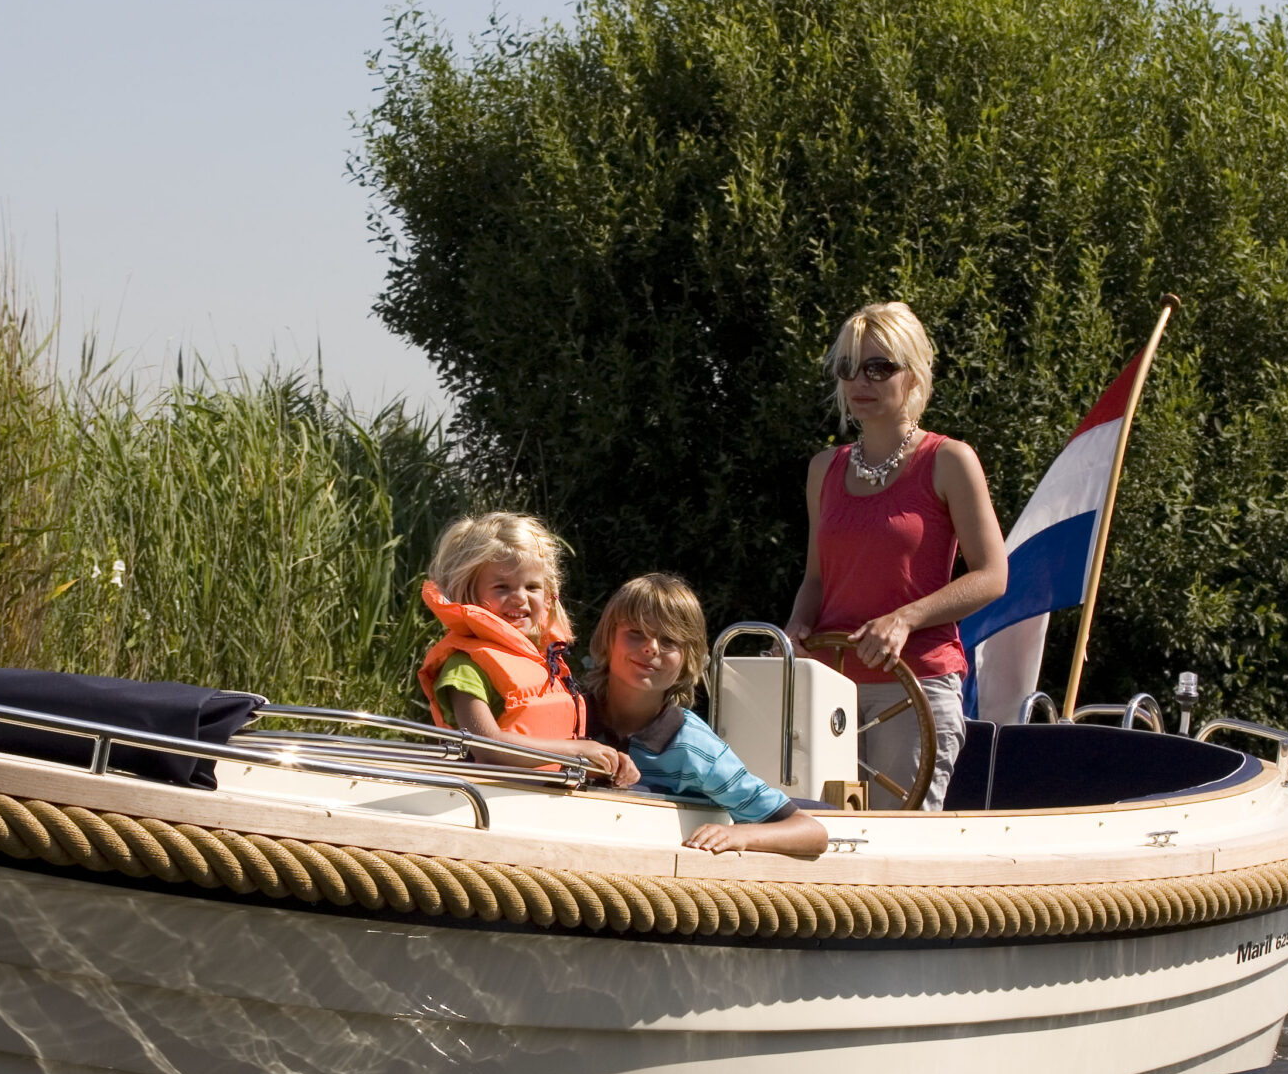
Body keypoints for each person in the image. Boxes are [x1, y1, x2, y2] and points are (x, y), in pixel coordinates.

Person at [783, 302, 1007, 809]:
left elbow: (993, 576)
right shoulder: (824, 469)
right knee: (814, 850)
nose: (860, 381)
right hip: (827, 689)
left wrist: (905, 619)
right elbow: (817, 580)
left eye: (879, 367)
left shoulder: (949, 461)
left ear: (914, 375)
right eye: (848, 368)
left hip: (916, 688)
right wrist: (797, 626)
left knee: (893, 860)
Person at [584, 573, 827, 856]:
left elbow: (811, 831)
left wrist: (738, 833)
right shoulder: (569, 713)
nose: (651, 647)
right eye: (636, 633)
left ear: (688, 657)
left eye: (669, 640)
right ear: (607, 638)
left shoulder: (694, 746)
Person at [418, 512, 634, 783]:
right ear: (469, 591)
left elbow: (550, 749)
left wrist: (605, 759)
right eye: (502, 586)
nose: (519, 597)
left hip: (542, 803)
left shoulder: (545, 662)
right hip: (493, 803)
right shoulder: (464, 667)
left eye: (532, 586)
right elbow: (488, 747)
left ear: (548, 595)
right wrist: (577, 751)